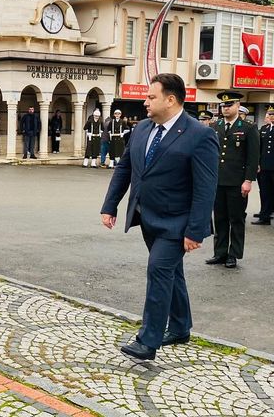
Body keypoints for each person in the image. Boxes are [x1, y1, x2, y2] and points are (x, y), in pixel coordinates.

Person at [101, 73, 218, 361]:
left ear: (171, 99)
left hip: (178, 222)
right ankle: (179, 327)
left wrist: (196, 230)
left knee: (158, 271)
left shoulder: (199, 135)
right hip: (147, 217)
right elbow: (125, 169)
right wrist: (110, 205)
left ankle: (148, 340)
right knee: (171, 272)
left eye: (151, 97)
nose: (145, 102)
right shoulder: (142, 128)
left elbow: (205, 187)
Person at [207, 91, 259, 269]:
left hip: (237, 181)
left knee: (236, 218)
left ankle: (233, 253)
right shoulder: (215, 126)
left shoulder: (248, 127)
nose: (226, 108)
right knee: (220, 218)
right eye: (223, 105)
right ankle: (220, 252)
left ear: (238, 106)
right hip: (218, 180)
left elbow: (253, 157)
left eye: (229, 105)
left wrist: (248, 180)